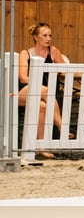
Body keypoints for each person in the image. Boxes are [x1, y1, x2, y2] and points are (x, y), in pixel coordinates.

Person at [18, 22, 70, 159]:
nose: (48, 38)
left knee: (42, 106)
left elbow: (65, 69)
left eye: (50, 35)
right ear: (36, 37)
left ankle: (41, 148)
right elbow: (23, 78)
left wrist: (59, 66)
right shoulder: (26, 53)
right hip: (22, 93)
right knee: (45, 91)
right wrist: (36, 84)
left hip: (44, 96)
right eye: (44, 35)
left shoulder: (53, 51)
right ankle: (62, 126)